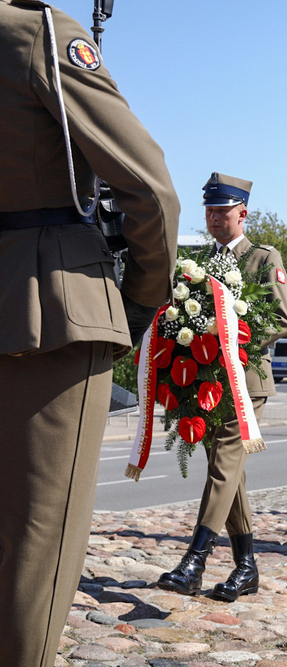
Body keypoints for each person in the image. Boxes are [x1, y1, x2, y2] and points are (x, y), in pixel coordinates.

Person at [0, 4, 180, 665]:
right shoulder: (35, 31)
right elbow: (151, 189)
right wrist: (134, 304)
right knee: (36, 552)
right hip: (49, 313)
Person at [157, 174, 287, 601]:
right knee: (229, 474)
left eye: (223, 210)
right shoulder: (199, 264)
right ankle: (246, 567)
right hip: (204, 385)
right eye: (210, 211)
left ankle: (194, 560)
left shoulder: (262, 257)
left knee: (223, 468)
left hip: (245, 383)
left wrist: (231, 336)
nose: (214, 217)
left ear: (243, 212)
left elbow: (280, 319)